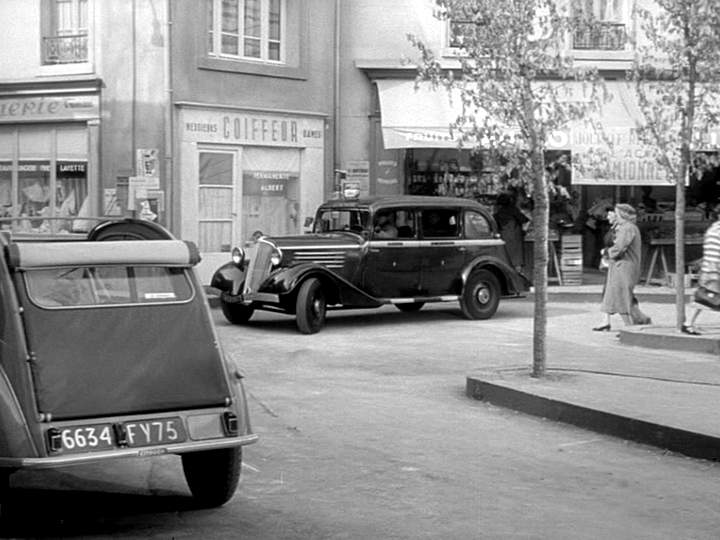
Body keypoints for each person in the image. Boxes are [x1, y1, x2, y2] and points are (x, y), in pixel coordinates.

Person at [593, 203, 642, 331]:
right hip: (619, 265)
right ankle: (607, 322)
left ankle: (630, 328)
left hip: (624, 265)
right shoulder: (626, 227)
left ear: (622, 214)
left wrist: (606, 252)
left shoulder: (627, 228)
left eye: (616, 212)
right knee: (611, 293)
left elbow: (620, 247)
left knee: (621, 295)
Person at [682, 207, 720, 335]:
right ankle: (688, 324)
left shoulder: (712, 229)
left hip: (709, 268)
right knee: (705, 297)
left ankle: (688, 324)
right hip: (715, 269)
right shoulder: (718, 231)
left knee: (703, 297)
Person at [494, 192, 529, 272]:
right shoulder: (514, 210)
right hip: (516, 240)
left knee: (505, 262)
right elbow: (525, 220)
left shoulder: (498, 213)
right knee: (517, 263)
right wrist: (524, 231)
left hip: (504, 240)